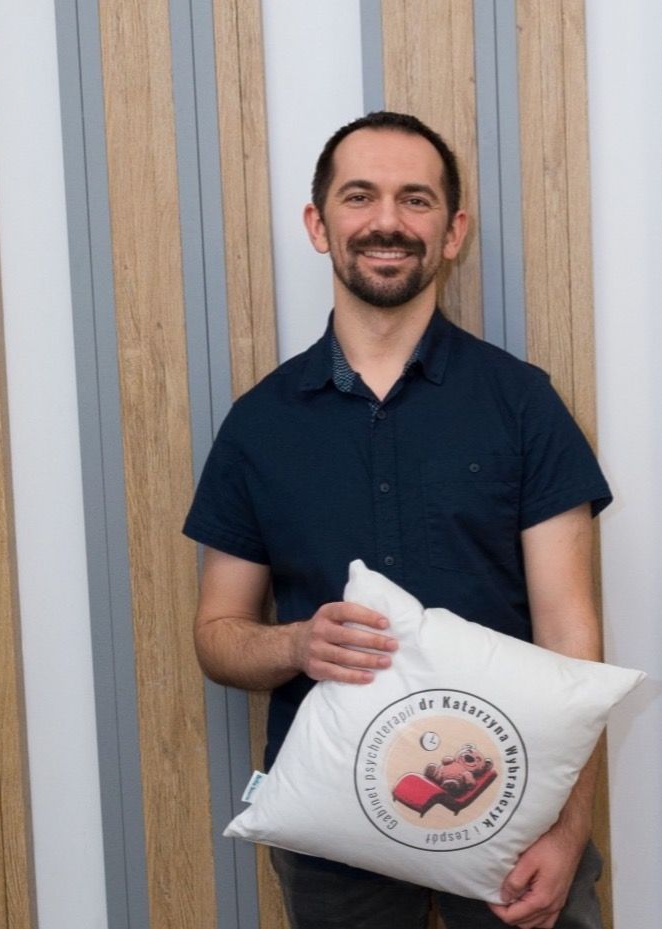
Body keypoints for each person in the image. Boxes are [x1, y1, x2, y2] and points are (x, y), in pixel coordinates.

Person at [184, 111, 612, 929]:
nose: (387, 221)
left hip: (514, 813)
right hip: (331, 830)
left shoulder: (522, 403)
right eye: (359, 197)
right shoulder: (258, 424)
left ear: (452, 232)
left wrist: (568, 825)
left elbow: (570, 636)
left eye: (415, 200)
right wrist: (295, 644)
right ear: (319, 225)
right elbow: (216, 633)